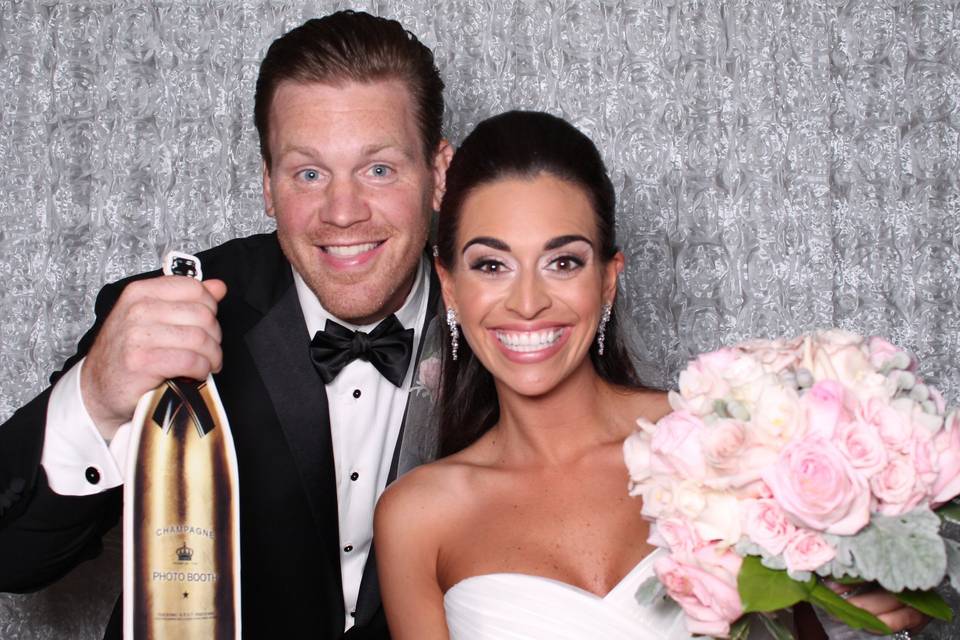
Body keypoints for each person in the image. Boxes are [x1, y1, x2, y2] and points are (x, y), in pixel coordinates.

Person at [373, 111, 931, 639]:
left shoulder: (733, 445)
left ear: (608, 280)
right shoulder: (417, 519)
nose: (527, 302)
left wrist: (886, 593)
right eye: (491, 266)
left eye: (562, 262)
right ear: (449, 287)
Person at [0, 11, 451, 639]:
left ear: (440, 173)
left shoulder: (501, 322)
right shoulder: (172, 312)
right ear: (268, 186)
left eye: (378, 169)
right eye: (309, 173)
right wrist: (95, 396)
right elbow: (14, 560)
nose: (342, 212)